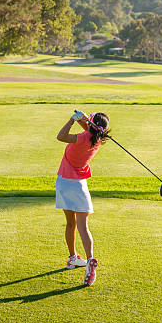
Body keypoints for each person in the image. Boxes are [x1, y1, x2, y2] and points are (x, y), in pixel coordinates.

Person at [56, 109, 110, 287]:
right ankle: (88, 259)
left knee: (70, 224)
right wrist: (84, 118)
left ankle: (72, 257)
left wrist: (72, 120)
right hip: (80, 185)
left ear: (92, 125)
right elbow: (90, 129)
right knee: (83, 226)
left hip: (64, 182)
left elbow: (61, 136)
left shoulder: (81, 138)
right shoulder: (99, 140)